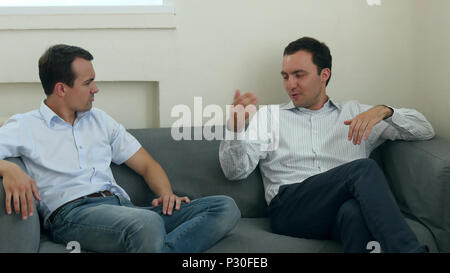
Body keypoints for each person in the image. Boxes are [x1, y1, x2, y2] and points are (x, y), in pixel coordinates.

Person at [0, 44, 240, 253]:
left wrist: (166, 194)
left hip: (124, 210)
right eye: (88, 82)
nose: (96, 89)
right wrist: (9, 169)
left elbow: (147, 165)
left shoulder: (100, 120)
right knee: (146, 224)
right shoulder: (25, 126)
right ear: (61, 89)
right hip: (72, 215)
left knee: (224, 207)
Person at [219, 37, 434, 253]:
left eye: (299, 75)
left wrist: (384, 111)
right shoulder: (268, 116)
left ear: (324, 75)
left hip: (336, 210)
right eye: (285, 76)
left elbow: (425, 129)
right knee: (363, 168)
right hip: (290, 209)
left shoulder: (355, 113)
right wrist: (235, 130)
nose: (290, 84)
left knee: (354, 214)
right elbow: (235, 172)